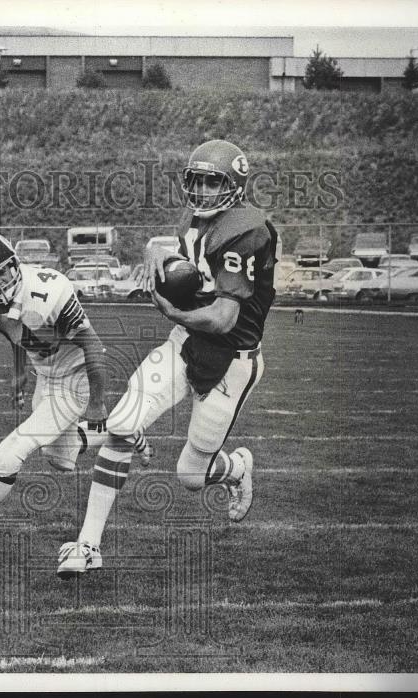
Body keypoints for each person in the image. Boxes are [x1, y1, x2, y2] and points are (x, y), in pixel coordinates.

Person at [57, 139, 279, 578]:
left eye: (211, 182)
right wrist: (159, 252)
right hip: (184, 342)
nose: (200, 190)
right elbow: (192, 269)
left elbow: (222, 317)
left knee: (190, 477)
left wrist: (172, 310)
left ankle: (235, 467)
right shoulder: (198, 217)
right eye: (194, 180)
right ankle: (87, 545)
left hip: (231, 360)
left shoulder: (247, 230)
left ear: (234, 187)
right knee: (121, 425)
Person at [0, 232, 150, 544]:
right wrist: (19, 371)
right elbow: (16, 332)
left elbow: (93, 345)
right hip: (46, 375)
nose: (0, 282)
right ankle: (124, 430)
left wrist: (96, 403)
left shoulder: (49, 289)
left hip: (75, 377)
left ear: (15, 264)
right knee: (61, 458)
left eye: (2, 271)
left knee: (10, 453)